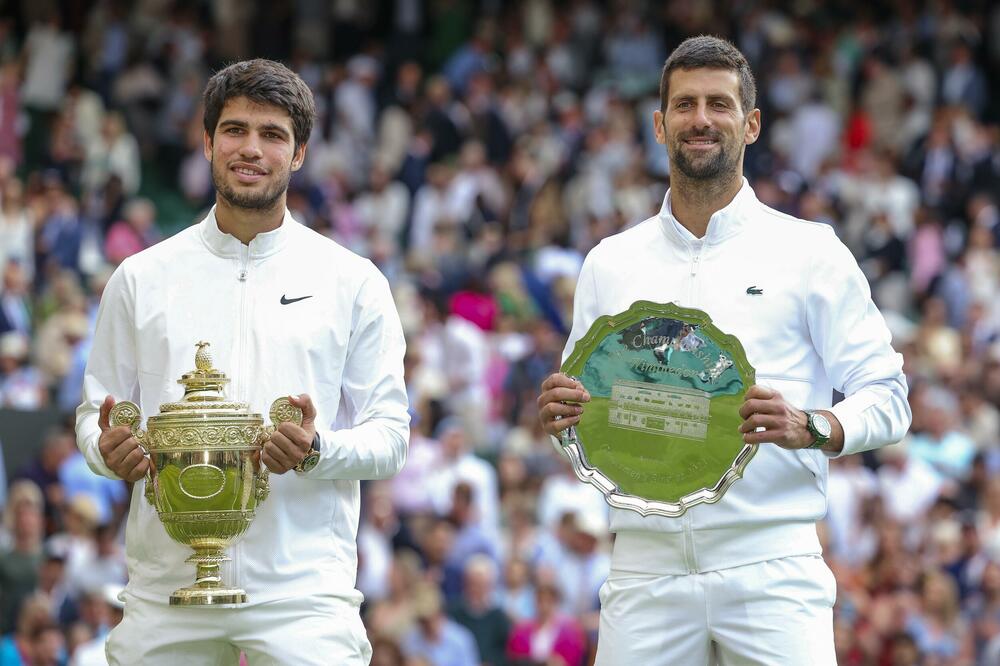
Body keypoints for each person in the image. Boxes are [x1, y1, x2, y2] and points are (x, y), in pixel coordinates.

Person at [536, 36, 910, 665]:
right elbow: (586, 419)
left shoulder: (810, 252)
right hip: (644, 568)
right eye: (684, 105)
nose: (701, 120)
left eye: (719, 104)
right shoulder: (609, 262)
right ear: (660, 125)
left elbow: (890, 397)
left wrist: (813, 425)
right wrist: (558, 420)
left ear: (752, 123)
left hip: (770, 565)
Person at [75, 59, 409, 665]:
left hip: (303, 595)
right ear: (206, 142)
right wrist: (106, 450)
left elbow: (391, 438)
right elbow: (93, 415)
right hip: (165, 592)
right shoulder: (141, 279)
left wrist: (316, 451)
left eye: (272, 134)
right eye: (234, 130)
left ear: (299, 153)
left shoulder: (352, 282)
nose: (250, 149)